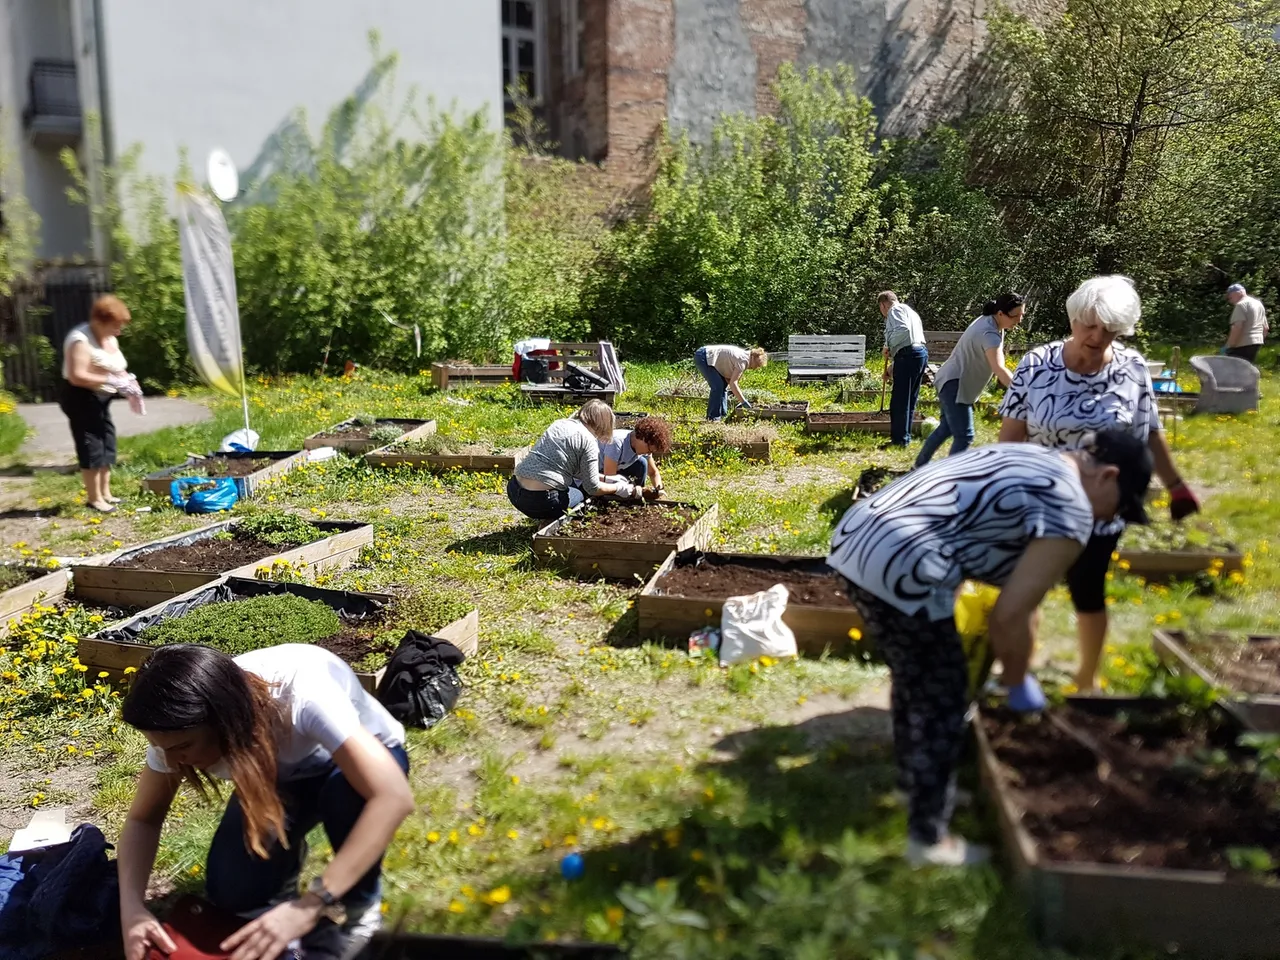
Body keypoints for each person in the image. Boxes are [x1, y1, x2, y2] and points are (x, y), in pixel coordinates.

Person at [828, 433, 1153, 867]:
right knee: (944, 696)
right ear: (1109, 475)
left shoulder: (1034, 458)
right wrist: (1017, 682)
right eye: (1121, 506)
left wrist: (1020, 655)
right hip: (906, 560)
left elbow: (1019, 597)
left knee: (916, 679)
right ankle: (928, 840)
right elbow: (1008, 617)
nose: (1113, 518)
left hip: (858, 537)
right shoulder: (1071, 508)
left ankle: (916, 782)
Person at [116, 644, 415, 960]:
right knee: (232, 891)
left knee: (346, 796)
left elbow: (392, 797)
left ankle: (362, 911)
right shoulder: (174, 727)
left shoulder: (305, 697)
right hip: (280, 775)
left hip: (354, 765)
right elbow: (143, 819)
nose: (173, 762)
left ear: (227, 722)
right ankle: (283, 879)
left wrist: (313, 902)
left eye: (183, 747)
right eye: (161, 748)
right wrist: (132, 909)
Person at [998, 275, 1200, 691]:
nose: (1097, 336)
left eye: (1110, 328)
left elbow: (1148, 434)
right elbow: (1011, 437)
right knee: (1025, 589)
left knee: (1088, 589)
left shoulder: (1132, 368)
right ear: (1073, 319)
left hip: (1101, 506)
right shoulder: (1037, 364)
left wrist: (1176, 486)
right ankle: (1017, 673)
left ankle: (1087, 681)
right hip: (1039, 500)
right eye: (1089, 324)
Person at [914, 293, 1025, 468]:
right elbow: (999, 368)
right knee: (965, 435)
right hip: (955, 384)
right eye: (1015, 316)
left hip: (949, 379)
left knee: (946, 428)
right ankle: (950, 479)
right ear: (1001, 313)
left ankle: (918, 468)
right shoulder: (989, 332)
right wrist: (1023, 391)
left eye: (1022, 315)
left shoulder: (991, 320)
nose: (1019, 320)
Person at [60, 295, 143, 513]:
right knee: (91, 444)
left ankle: (106, 493)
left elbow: (115, 366)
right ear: (99, 321)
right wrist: (110, 380)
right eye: (115, 326)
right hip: (81, 397)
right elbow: (76, 376)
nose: (119, 331)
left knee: (107, 440)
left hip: (102, 398)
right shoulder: (80, 339)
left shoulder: (109, 338)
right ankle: (94, 498)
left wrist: (128, 382)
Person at [507, 400, 643, 521]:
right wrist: (619, 488)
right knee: (578, 495)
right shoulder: (589, 441)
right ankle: (554, 521)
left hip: (514, 490)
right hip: (541, 500)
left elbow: (579, 472)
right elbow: (592, 488)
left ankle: (545, 515)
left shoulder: (559, 424)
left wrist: (608, 479)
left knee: (569, 486)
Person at [878, 292, 928, 447]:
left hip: (908, 356)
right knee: (909, 399)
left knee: (899, 401)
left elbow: (903, 331)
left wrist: (888, 346)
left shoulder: (894, 310)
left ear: (883, 304)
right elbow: (910, 340)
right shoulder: (911, 312)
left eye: (880, 309)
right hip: (919, 354)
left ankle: (899, 441)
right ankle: (904, 437)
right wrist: (893, 366)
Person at [599, 416, 673, 497]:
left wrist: (659, 489)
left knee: (642, 463)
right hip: (598, 473)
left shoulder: (644, 447)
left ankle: (638, 495)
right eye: (649, 450)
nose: (648, 453)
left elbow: (653, 473)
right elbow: (610, 478)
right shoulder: (616, 442)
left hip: (616, 469)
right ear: (642, 438)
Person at [693, 345, 767, 421]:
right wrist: (743, 402)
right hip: (703, 356)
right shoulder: (743, 361)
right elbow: (733, 384)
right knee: (717, 387)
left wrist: (737, 393)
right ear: (753, 358)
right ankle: (713, 417)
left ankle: (722, 415)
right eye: (757, 365)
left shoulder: (746, 357)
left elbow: (730, 380)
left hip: (709, 357)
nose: (755, 368)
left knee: (723, 386)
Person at [1224, 283, 1268, 364]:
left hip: (1242, 344)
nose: (1230, 301)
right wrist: (1259, 340)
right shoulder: (1258, 304)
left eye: (1230, 297)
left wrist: (1229, 346)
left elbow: (1237, 327)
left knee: (1233, 371)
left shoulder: (1241, 305)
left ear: (1238, 293)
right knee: (1246, 369)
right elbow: (1265, 328)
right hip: (1256, 343)